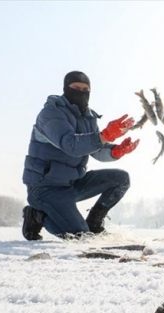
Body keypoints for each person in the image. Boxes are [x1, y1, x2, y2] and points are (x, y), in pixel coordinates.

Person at [21, 71, 139, 240]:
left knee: (121, 179)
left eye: (85, 89)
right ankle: (36, 214)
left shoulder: (89, 117)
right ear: (65, 88)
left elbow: (95, 149)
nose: (81, 92)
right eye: (76, 87)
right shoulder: (51, 114)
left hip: (73, 183)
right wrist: (105, 135)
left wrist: (115, 151)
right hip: (46, 187)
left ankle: (94, 222)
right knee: (79, 236)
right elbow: (70, 145)